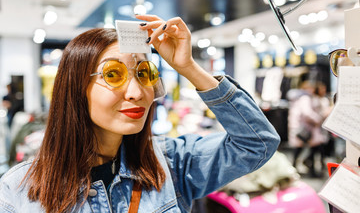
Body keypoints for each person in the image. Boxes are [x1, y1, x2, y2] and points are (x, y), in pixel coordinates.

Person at [0, 14, 280, 213]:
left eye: (145, 73)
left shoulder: (171, 164)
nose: (137, 92)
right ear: (76, 89)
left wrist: (189, 67)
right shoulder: (19, 190)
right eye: (113, 74)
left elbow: (257, 143)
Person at [287, 80, 327, 176]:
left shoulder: (298, 97)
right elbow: (307, 113)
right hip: (303, 127)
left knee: (300, 149)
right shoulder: (305, 98)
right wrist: (318, 119)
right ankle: (307, 170)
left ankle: (297, 169)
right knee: (303, 149)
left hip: (298, 126)